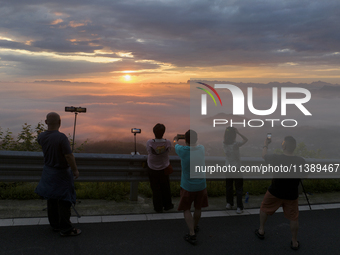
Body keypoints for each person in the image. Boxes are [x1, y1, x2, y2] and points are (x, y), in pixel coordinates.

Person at [35, 112, 81, 236]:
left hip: (48, 172)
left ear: (46, 122)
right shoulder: (61, 138)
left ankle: (55, 225)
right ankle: (66, 229)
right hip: (61, 174)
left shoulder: (41, 137)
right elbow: (68, 156)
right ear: (60, 122)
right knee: (64, 200)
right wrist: (75, 170)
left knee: (52, 199)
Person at [255, 135, 305, 250]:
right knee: (293, 218)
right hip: (291, 195)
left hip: (275, 191)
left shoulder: (276, 158)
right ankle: (294, 241)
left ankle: (261, 230)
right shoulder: (300, 160)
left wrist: (266, 144)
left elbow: (264, 155)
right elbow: (304, 175)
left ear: (284, 145)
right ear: (295, 147)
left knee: (264, 208)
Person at [174, 130, 208, 245]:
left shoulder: (182, 150)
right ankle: (195, 226)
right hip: (201, 185)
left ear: (186, 140)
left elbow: (175, 143)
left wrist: (177, 138)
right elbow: (197, 144)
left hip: (188, 186)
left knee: (186, 208)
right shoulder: (201, 149)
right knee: (198, 208)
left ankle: (192, 233)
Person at [146, 123, 174, 213]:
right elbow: (168, 151)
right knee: (165, 187)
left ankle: (158, 207)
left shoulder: (150, 142)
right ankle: (167, 205)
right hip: (164, 167)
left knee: (155, 189)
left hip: (152, 168)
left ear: (154, 132)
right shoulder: (168, 142)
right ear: (163, 132)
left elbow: (149, 152)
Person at [223, 127, 248, 214]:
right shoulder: (236, 144)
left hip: (228, 168)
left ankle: (229, 203)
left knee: (229, 187)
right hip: (237, 168)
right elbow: (246, 139)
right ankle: (239, 207)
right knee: (239, 188)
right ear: (234, 135)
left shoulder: (224, 143)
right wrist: (239, 132)